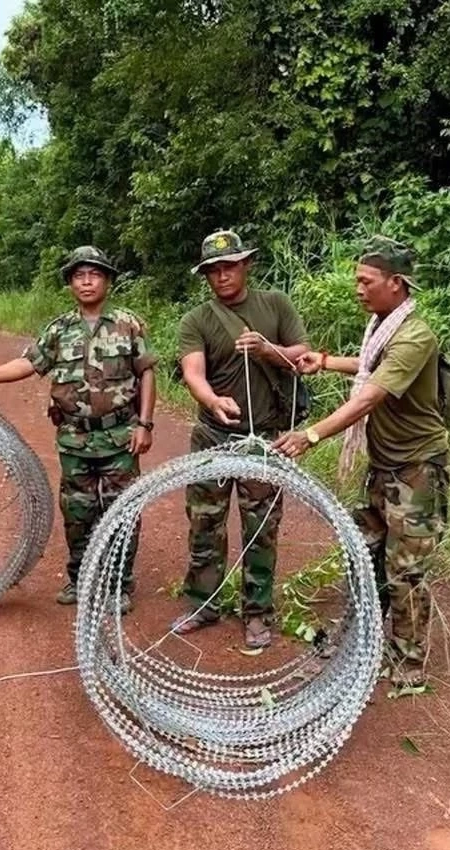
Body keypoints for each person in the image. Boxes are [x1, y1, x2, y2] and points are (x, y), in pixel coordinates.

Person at [273, 238, 449, 677]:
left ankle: (408, 664)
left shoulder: (414, 335)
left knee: (405, 570)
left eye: (365, 281)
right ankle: (361, 638)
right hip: (384, 465)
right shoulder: (383, 327)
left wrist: (311, 434)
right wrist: (328, 362)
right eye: (357, 280)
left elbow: (370, 396)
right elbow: (370, 365)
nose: (358, 288)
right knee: (365, 554)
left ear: (395, 283)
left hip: (418, 470)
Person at [0, 246, 157, 612]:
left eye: (94, 274)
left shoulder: (129, 324)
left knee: (122, 512)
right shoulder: (59, 329)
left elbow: (146, 372)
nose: (86, 281)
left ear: (108, 281)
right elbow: (29, 364)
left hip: (119, 436)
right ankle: (80, 579)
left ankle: (118, 585)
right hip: (74, 437)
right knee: (77, 513)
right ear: (70, 284)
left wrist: (144, 424)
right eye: (79, 275)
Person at [175, 229, 309, 648]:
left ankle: (257, 612)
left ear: (246, 264)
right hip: (213, 435)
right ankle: (203, 603)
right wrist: (212, 399)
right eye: (213, 271)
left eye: (229, 266)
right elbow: (193, 371)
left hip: (264, 438)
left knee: (261, 528)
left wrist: (269, 350)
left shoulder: (275, 305)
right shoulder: (197, 319)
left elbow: (304, 357)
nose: (221, 276)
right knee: (204, 523)